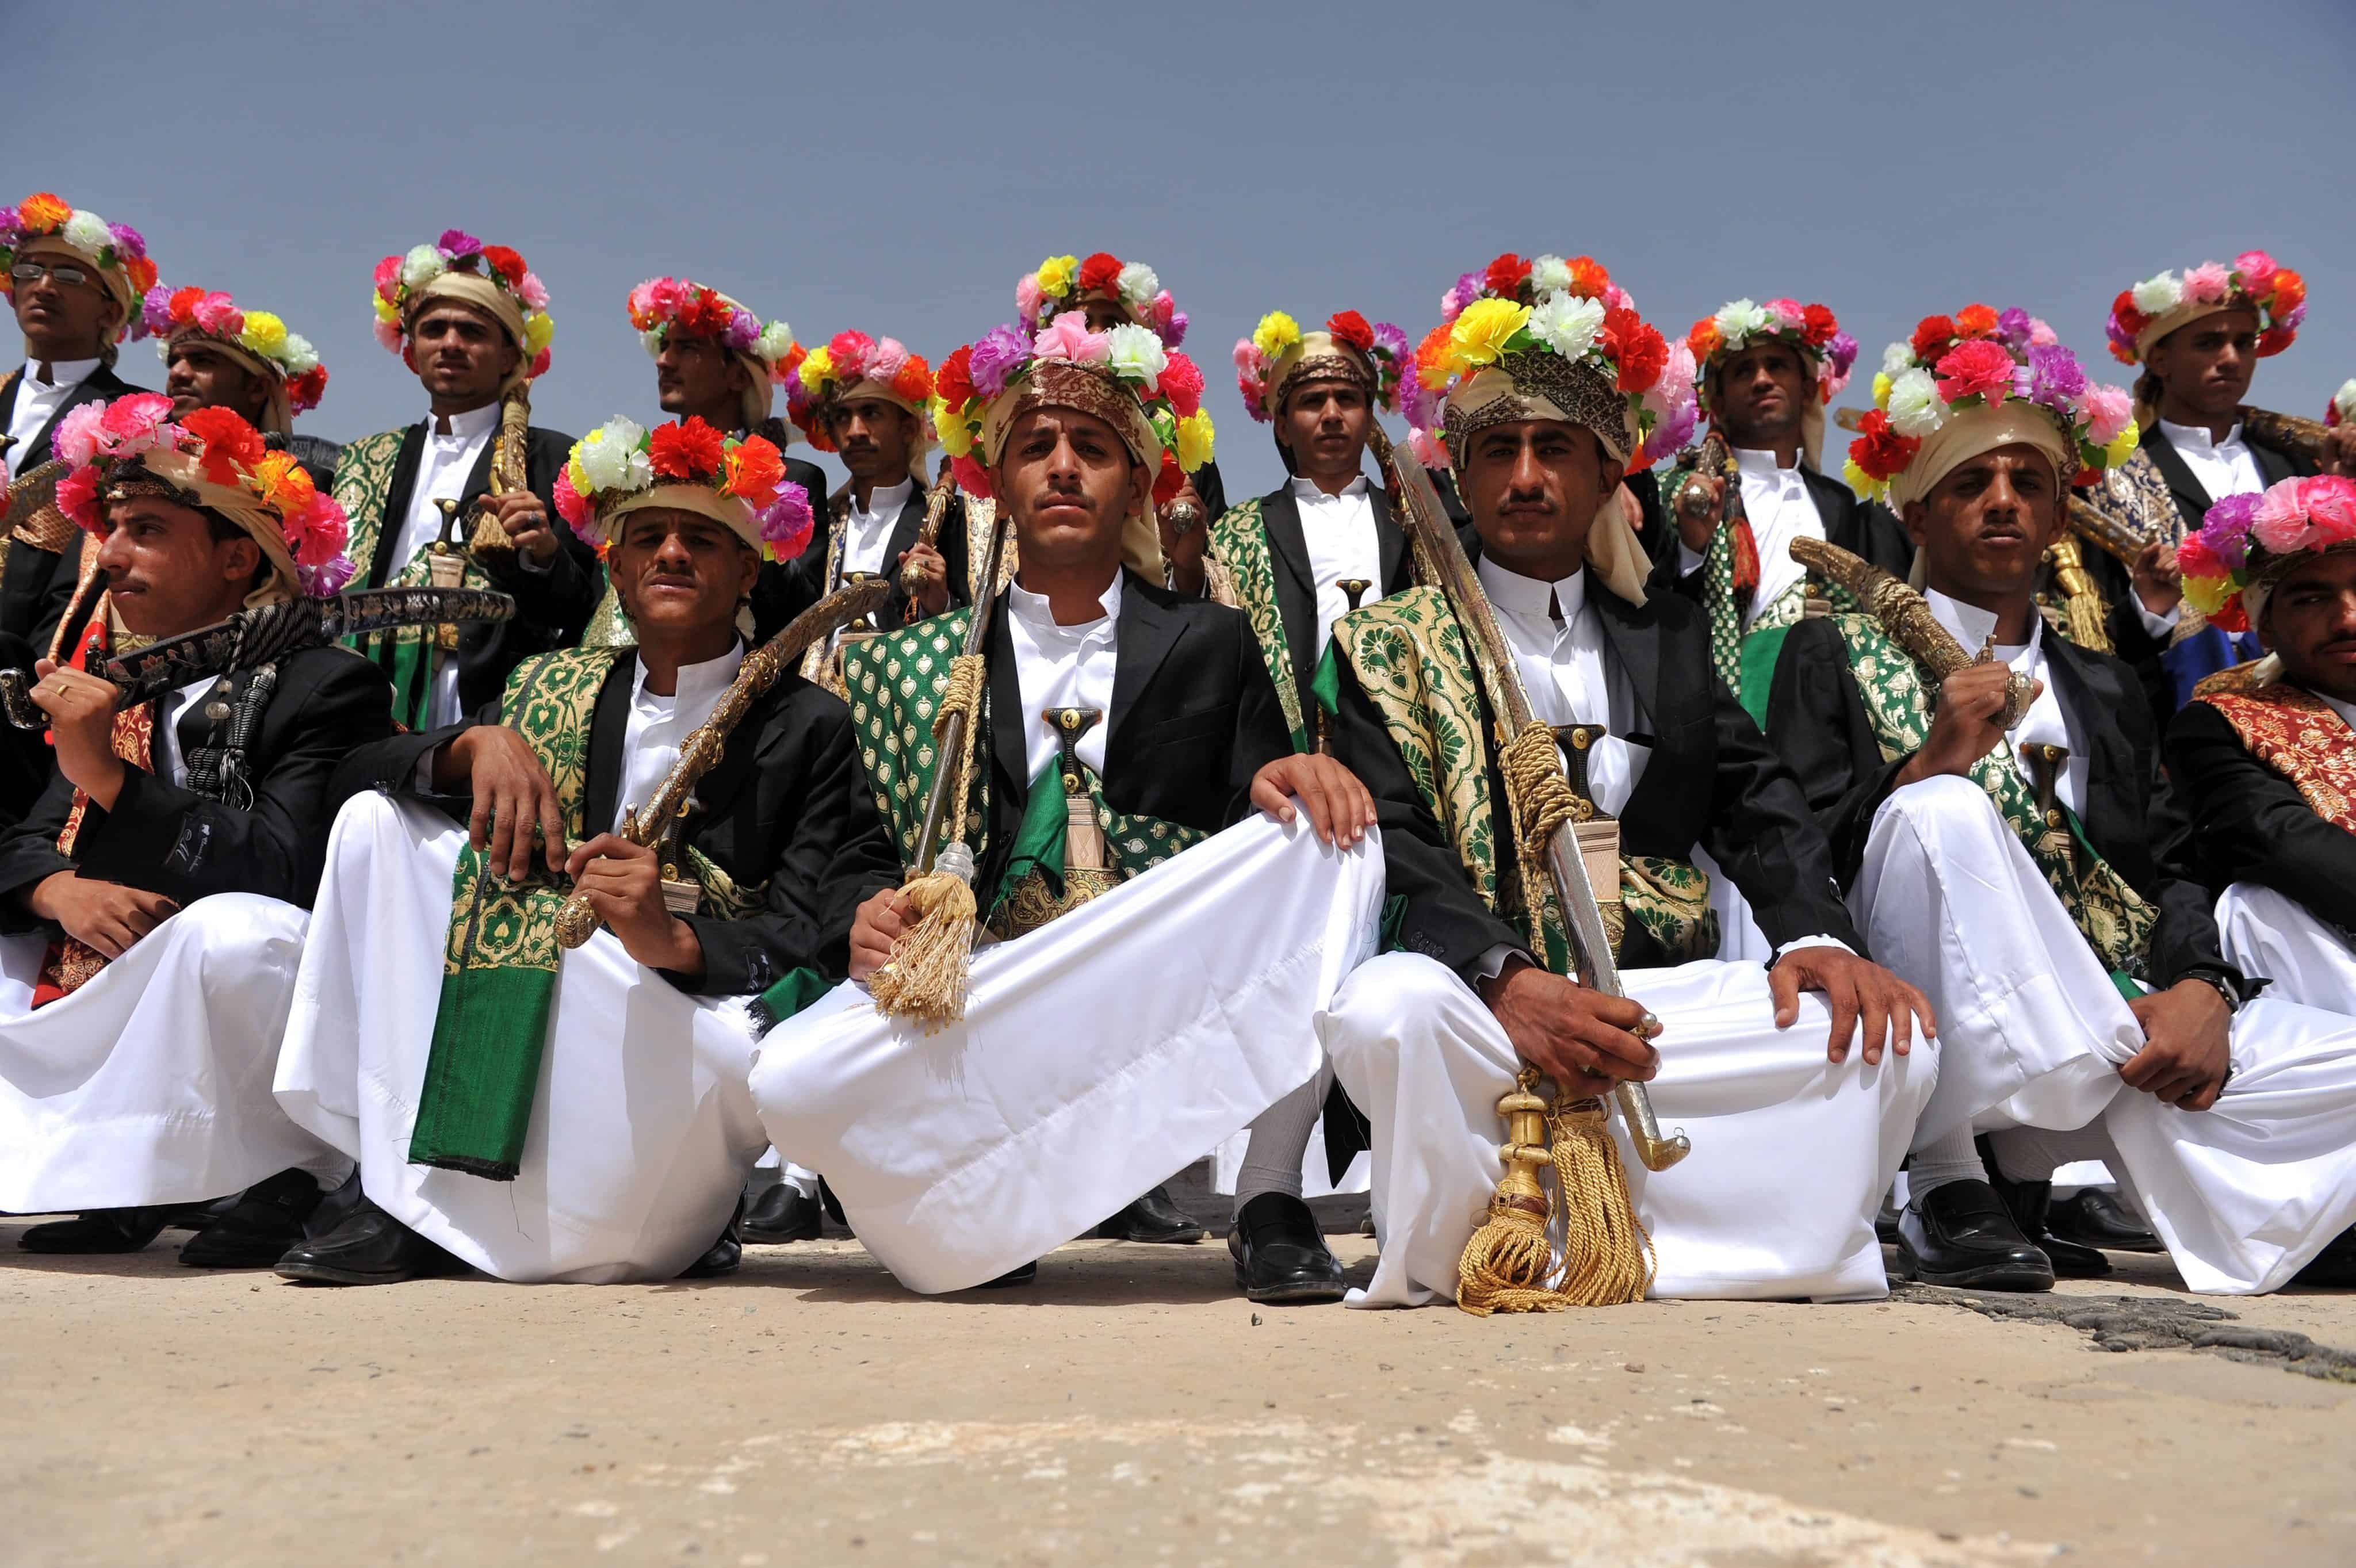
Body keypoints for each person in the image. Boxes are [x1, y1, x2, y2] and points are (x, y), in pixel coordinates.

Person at [1315, 257, 1937, 1310]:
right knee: (1390, 1011)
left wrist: (1820, 940)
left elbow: (1760, 805)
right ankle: (1493, 1237)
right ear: (1459, 476)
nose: (1524, 478)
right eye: (1498, 452)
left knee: (1884, 1038)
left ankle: (1644, 1240)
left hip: (1649, 1007)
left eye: (1555, 449)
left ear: (1610, 475)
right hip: (1483, 1001)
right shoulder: (1382, 644)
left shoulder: (1670, 636)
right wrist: (1508, 981)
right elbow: (1402, 851)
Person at [747, 315, 1386, 1293]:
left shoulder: (1209, 639)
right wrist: (863, 916)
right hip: (985, 983)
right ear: (993, 482)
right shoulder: (915, 662)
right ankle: (974, 1206)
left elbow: (1245, 799)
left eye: (1092, 449)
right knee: (786, 1081)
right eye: (1035, 448)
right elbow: (860, 852)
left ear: (1137, 482)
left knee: (1335, 843)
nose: (1061, 469)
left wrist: (1294, 776)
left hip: (1147, 970)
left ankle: (1267, 1199)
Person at [1764, 312, 2356, 1295]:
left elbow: (2165, 867)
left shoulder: (2106, 683)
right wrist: (1927, 764)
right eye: (1971, 484)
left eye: (2028, 485)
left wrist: (2203, 990)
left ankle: (2067, 1175)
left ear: (2055, 517)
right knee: (1940, 815)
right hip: (1917, 1011)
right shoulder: (1830, 650)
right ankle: (1945, 1175)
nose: (2002, 503)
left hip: (2105, 1013)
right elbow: (1804, 848)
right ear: (1913, 514)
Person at [272, 415, 898, 1286]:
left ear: (749, 569)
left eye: (701, 540)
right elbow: (350, 774)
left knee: (723, 1057)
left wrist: (671, 940)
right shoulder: (550, 685)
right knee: (379, 825)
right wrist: (467, 749)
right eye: (648, 537)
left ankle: (680, 1209)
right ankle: (383, 1190)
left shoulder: (807, 724)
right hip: (546, 963)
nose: (672, 555)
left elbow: (811, 924)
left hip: (679, 1011)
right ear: (615, 566)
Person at [0, 397, 391, 1263]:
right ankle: (120, 1169)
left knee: (232, 936)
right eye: (110, 528)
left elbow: (285, 871)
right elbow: (23, 837)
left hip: (262, 966)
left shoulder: (323, 683)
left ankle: (293, 1172)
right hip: (128, 955)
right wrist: (54, 886)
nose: (111, 554)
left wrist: (108, 777)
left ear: (235, 557)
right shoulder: (112, 676)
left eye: (146, 528)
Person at [1195, 306, 1412, 1297]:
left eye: (1348, 399)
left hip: (1418, 776)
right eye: (1311, 401)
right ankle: (1268, 1190)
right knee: (1306, 970)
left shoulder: (1424, 523)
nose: (1331, 416)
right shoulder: (1237, 534)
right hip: (1293, 791)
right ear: (1279, 423)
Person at [331, 230, 592, 731]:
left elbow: (584, 606)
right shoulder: (367, 458)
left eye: (472, 332)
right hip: (363, 690)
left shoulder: (557, 458)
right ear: (411, 353)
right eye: (435, 330)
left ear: (511, 358)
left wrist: (542, 558)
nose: (451, 344)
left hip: (484, 699)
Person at [2167, 477, 2356, 1018]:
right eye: (2312, 597)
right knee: (2260, 906)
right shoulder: (2220, 724)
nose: (2348, 619)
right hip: (2326, 983)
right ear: (2265, 627)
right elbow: (2284, 843)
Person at [2099, 253, 2317, 710]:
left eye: (2244, 342)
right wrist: (2151, 606)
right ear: (2160, 358)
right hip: (2184, 716)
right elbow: (2101, 627)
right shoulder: (2115, 480)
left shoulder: (2296, 465)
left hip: (2312, 701)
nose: (2230, 359)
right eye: (2209, 343)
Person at [595, 277, 823, 647]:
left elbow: (802, 617)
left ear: (736, 374)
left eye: (688, 347)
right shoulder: (633, 470)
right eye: (664, 346)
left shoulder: (790, 484)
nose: (664, 361)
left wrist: (751, 505)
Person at [0, 191, 157, 653]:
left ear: (110, 311)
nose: (44, 286)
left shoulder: (132, 417)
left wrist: (38, 668)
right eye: (29, 271)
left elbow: (105, 564)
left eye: (69, 276)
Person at [785, 330, 967, 635]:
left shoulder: (952, 520)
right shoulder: (819, 526)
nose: (855, 431)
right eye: (842, 417)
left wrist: (941, 605)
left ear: (909, 428)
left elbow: (984, 627)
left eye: (871, 413)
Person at [147, 282, 338, 485]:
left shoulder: (302, 485)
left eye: (203, 361)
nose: (177, 373)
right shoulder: (144, 463)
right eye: (174, 362)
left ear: (257, 388)